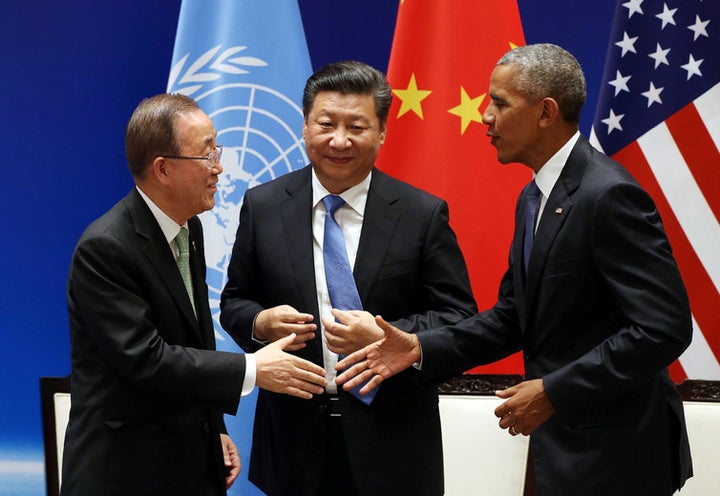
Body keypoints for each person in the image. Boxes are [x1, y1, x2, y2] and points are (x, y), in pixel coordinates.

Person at [333, 44, 693, 496]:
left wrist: (554, 391)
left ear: (546, 113)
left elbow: (664, 329)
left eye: (499, 103)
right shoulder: (535, 196)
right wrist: (419, 347)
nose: (484, 115)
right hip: (562, 449)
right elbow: (513, 317)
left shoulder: (608, 195)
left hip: (619, 452)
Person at [219, 60, 477, 496]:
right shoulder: (263, 206)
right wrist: (259, 323)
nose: (339, 140)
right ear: (304, 126)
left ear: (381, 133)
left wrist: (388, 336)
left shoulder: (421, 214)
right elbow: (235, 302)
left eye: (356, 126)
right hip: (293, 442)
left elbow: (458, 317)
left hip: (394, 443)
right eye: (326, 124)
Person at [62, 93, 327, 496]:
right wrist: (253, 370)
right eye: (206, 155)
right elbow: (145, 359)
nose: (219, 167)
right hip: (126, 472)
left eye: (216, 149)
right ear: (163, 169)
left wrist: (213, 428)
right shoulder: (105, 248)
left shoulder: (190, 229)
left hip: (189, 462)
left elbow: (193, 339)